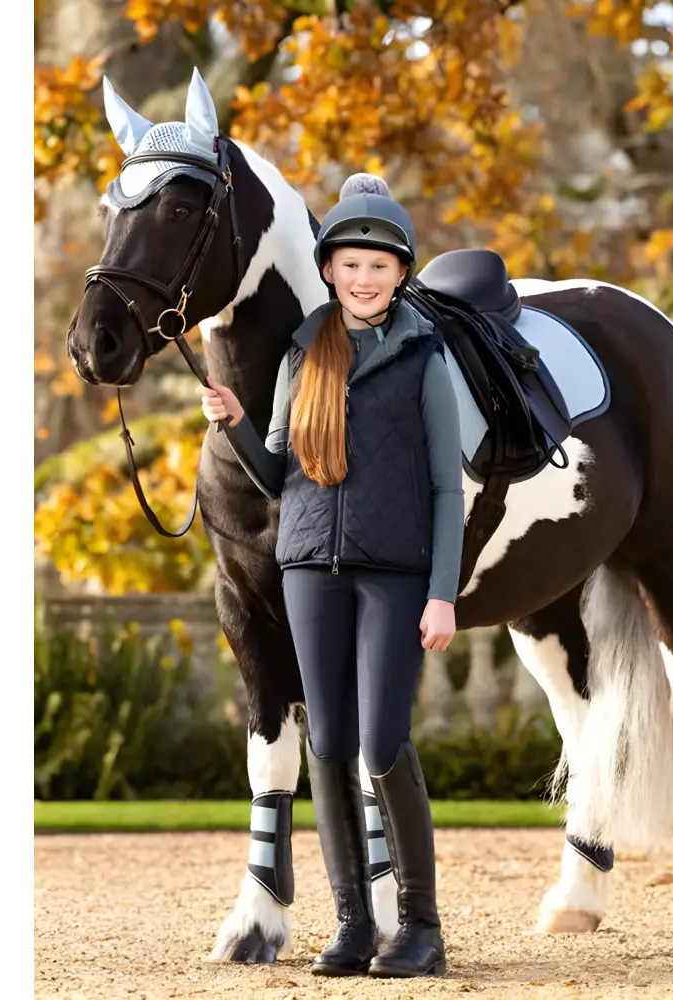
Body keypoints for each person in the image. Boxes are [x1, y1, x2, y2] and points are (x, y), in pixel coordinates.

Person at [199, 174, 464, 979]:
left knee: (382, 742)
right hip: (308, 568)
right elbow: (280, 475)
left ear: (400, 273)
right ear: (329, 269)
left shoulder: (425, 355)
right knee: (329, 743)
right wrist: (236, 427)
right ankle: (352, 925)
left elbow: (449, 487)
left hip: (394, 573)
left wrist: (443, 591)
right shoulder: (301, 351)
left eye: (379, 265)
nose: (363, 277)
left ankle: (420, 926)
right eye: (350, 263)